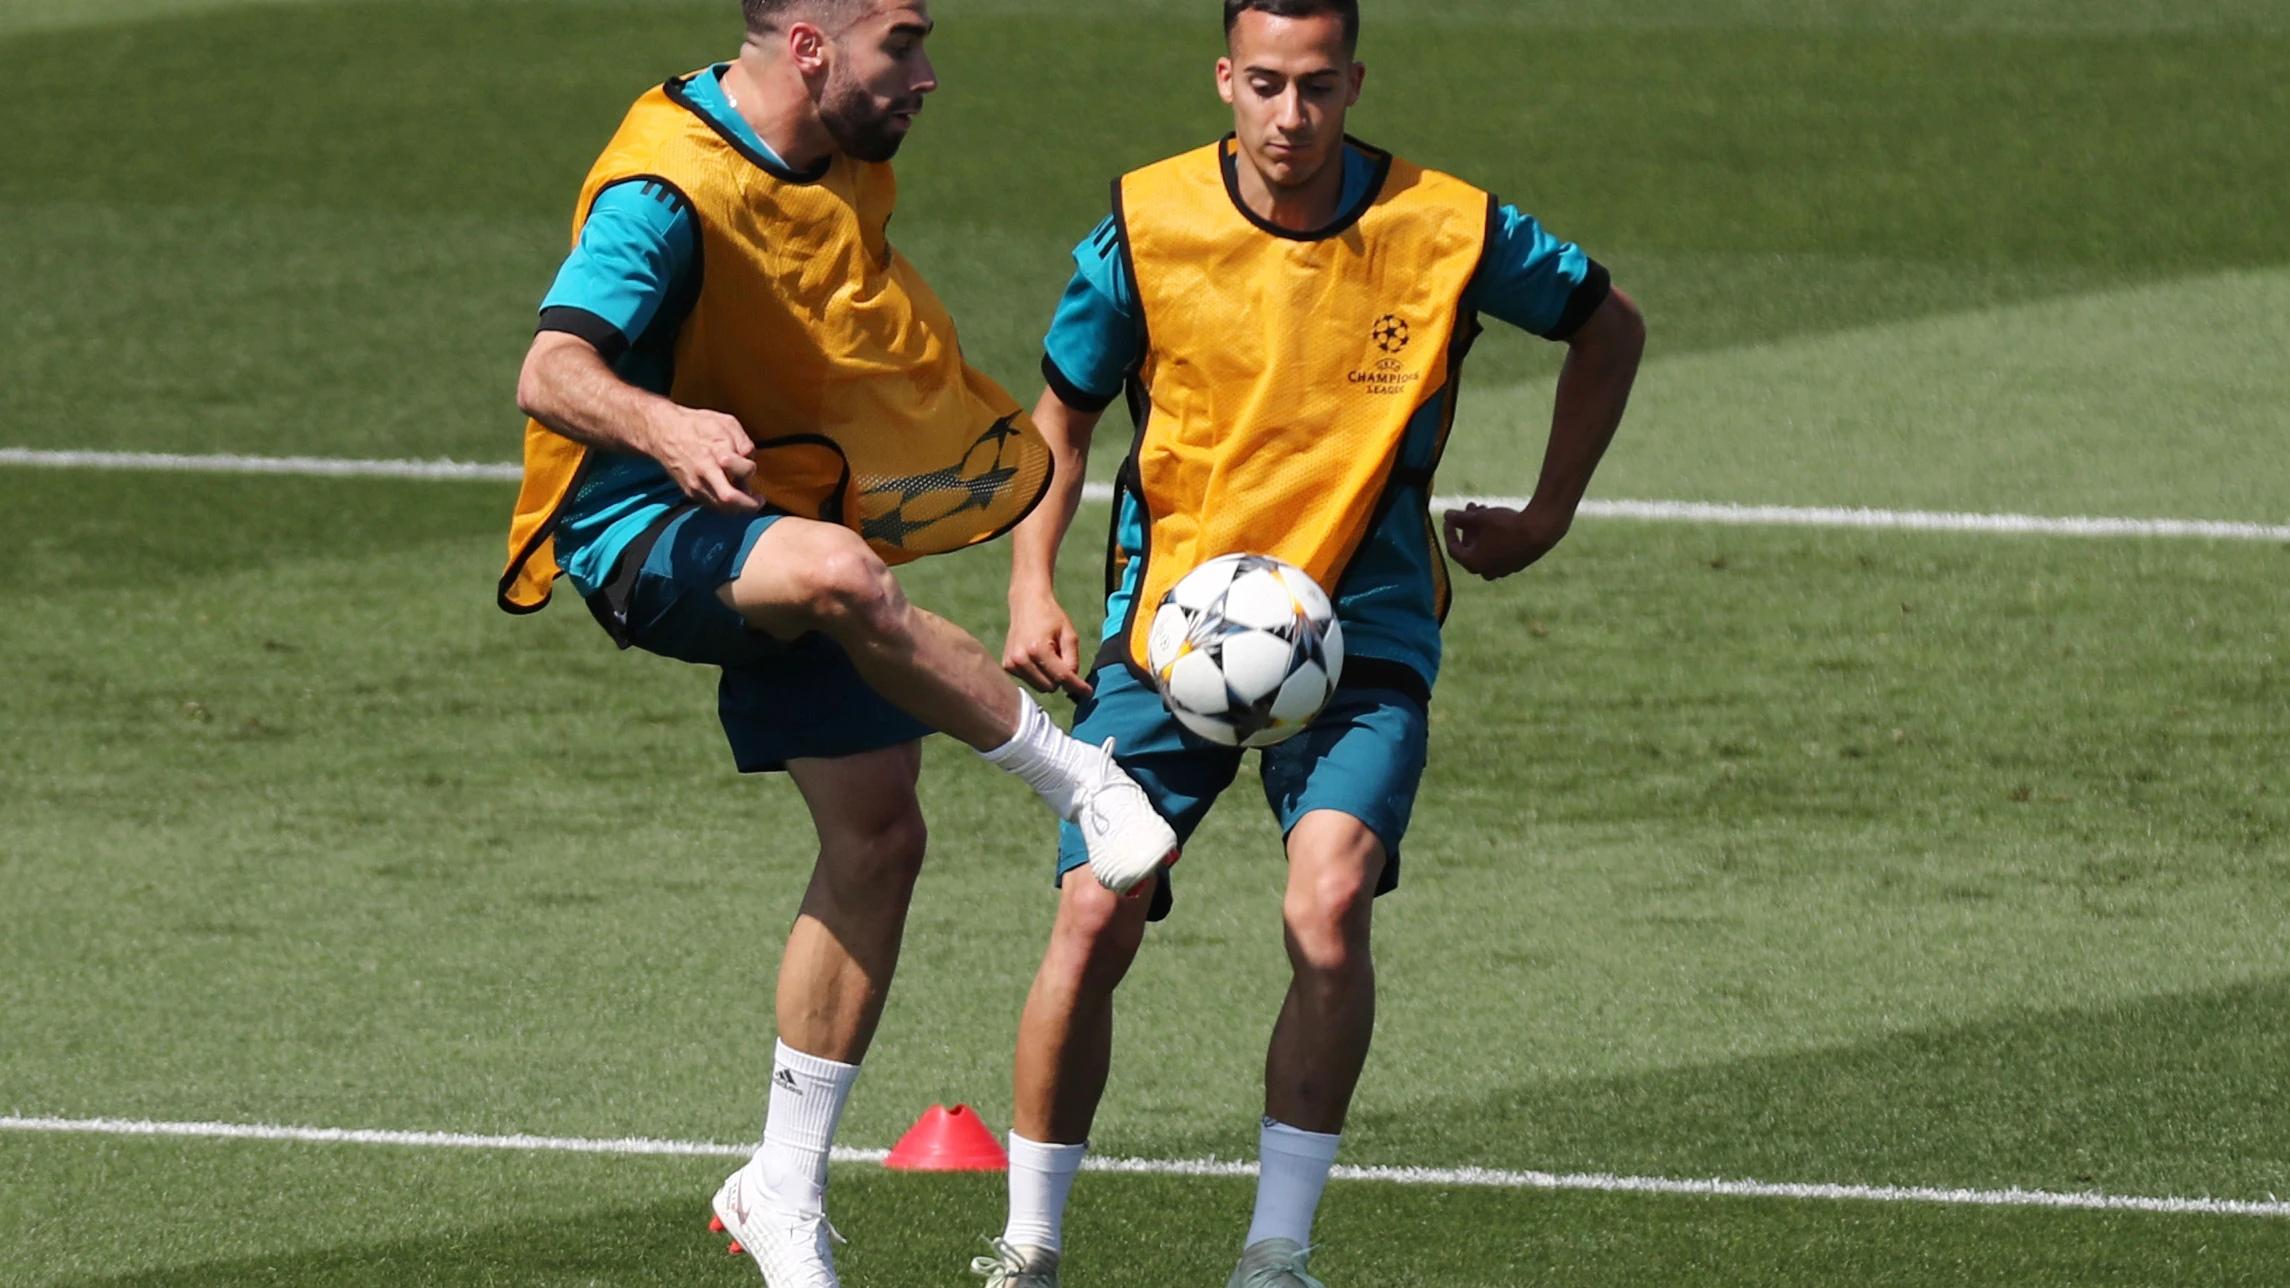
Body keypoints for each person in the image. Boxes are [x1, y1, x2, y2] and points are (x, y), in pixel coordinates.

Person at [499, 2, 1180, 1284]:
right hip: (635, 524)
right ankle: (1088, 782)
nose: (926, 77)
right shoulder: (668, 185)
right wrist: (665, 426)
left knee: (878, 837)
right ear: (810, 46)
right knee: (844, 577)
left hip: (780, 504)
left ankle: (782, 1194)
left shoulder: (842, 151)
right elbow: (549, 371)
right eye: (903, 45)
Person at [973, 2, 1646, 1285]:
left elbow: (1609, 325)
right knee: (1091, 911)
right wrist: (1027, 585)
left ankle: (1275, 1254)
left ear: (1354, 82)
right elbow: (1057, 415)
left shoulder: (1448, 228)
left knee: (1328, 909)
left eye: (1319, 87)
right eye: (1267, 85)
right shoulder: (1146, 220)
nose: (1293, 117)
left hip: (1366, 624)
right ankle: (1029, 1246)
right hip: (1170, 627)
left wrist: (1550, 513)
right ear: (1225, 79)